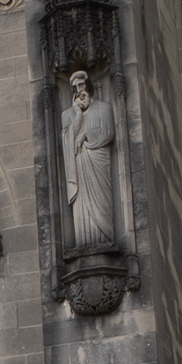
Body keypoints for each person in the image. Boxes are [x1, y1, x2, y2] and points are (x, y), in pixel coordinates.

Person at [62, 68, 119, 247]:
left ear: (89, 87)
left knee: (101, 206)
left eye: (81, 85)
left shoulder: (104, 108)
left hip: (98, 163)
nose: (79, 91)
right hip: (79, 168)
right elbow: (67, 141)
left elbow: (108, 134)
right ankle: (84, 244)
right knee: (82, 209)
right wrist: (78, 115)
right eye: (75, 88)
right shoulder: (68, 115)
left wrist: (87, 134)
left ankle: (106, 240)